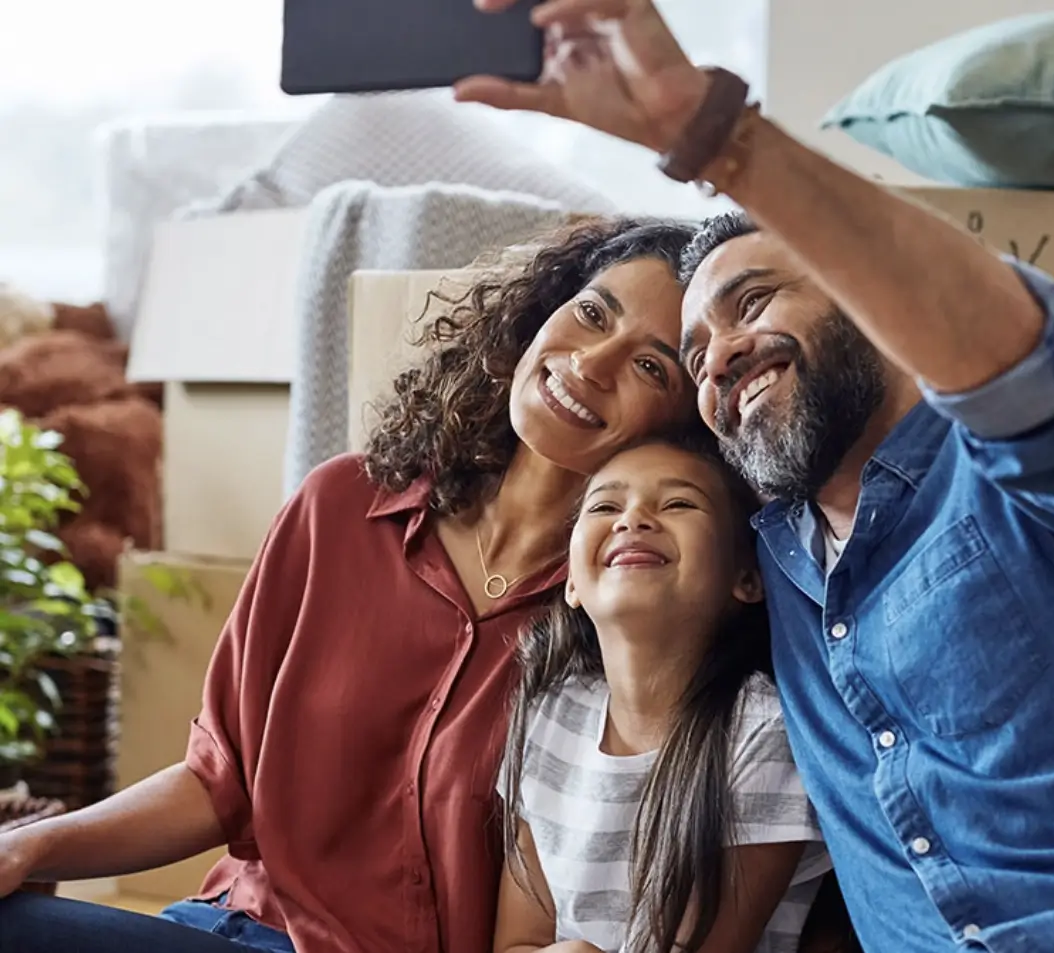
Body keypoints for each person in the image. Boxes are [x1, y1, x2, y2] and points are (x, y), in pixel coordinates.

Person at [455, 4, 1054, 953]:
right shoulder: (771, 558)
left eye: (754, 301)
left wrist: (712, 134)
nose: (721, 356)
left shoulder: (1049, 467)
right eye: (694, 355)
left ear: (874, 308)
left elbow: (1020, 364)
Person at [0, 217, 699, 953]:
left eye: (652, 367)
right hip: (230, 925)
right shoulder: (340, 505)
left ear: (688, 432)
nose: (590, 363)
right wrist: (31, 848)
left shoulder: (632, 620)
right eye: (592, 312)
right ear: (543, 311)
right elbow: (218, 781)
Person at [495, 434, 832, 953]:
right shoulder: (549, 714)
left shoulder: (763, 732)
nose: (633, 520)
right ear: (572, 586)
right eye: (606, 504)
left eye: (678, 503)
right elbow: (518, 942)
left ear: (747, 577)